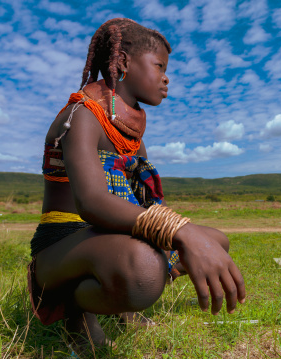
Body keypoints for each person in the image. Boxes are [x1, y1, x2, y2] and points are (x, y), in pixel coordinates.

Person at [27, 17, 245, 352]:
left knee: (215, 241)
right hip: (65, 246)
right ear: (125, 63)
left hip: (114, 239)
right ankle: (76, 309)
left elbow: (145, 203)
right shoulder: (83, 115)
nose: (165, 77)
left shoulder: (131, 135)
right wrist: (179, 231)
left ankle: (124, 299)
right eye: (159, 65)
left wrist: (183, 238)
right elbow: (92, 202)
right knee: (144, 267)